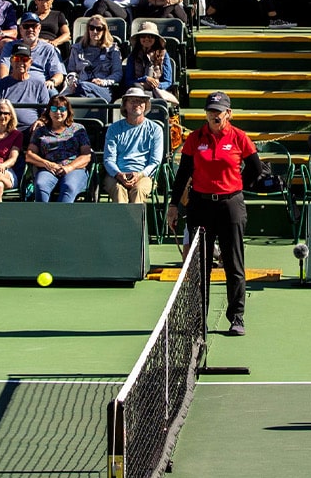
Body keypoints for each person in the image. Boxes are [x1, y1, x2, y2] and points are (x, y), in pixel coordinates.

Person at [166, 90, 260, 335]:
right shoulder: (195, 138)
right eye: (210, 111)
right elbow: (183, 173)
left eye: (219, 111)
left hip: (230, 206)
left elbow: (255, 167)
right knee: (201, 266)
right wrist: (174, 205)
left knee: (234, 264)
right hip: (201, 205)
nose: (214, 115)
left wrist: (238, 186)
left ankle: (237, 318)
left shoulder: (239, 137)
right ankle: (199, 319)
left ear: (228, 113)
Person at [24, 96, 93, 202]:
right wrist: (47, 164)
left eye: (62, 109)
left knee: (69, 186)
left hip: (74, 168)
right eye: (54, 109)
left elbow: (86, 155)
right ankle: (42, 216)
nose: (58, 113)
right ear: (49, 111)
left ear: (68, 111)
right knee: (41, 185)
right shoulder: (40, 131)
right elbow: (29, 155)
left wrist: (69, 167)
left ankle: (61, 217)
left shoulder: (78, 129)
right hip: (48, 168)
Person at [102, 86, 165, 203]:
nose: (137, 104)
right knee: (118, 190)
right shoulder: (113, 129)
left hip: (144, 175)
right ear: (125, 105)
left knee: (138, 190)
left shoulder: (156, 129)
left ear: (146, 105)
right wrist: (118, 174)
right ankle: (122, 222)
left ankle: (135, 222)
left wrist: (140, 175)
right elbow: (108, 159)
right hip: (116, 175)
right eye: (132, 101)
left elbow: (155, 162)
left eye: (141, 101)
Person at [65, 15, 123, 100]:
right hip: (80, 86)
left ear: (104, 31)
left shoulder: (112, 50)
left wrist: (104, 82)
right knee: (84, 92)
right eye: (91, 28)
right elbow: (71, 71)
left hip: (103, 89)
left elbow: (117, 73)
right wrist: (73, 81)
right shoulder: (77, 48)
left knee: (82, 87)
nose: (95, 31)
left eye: (98, 29)